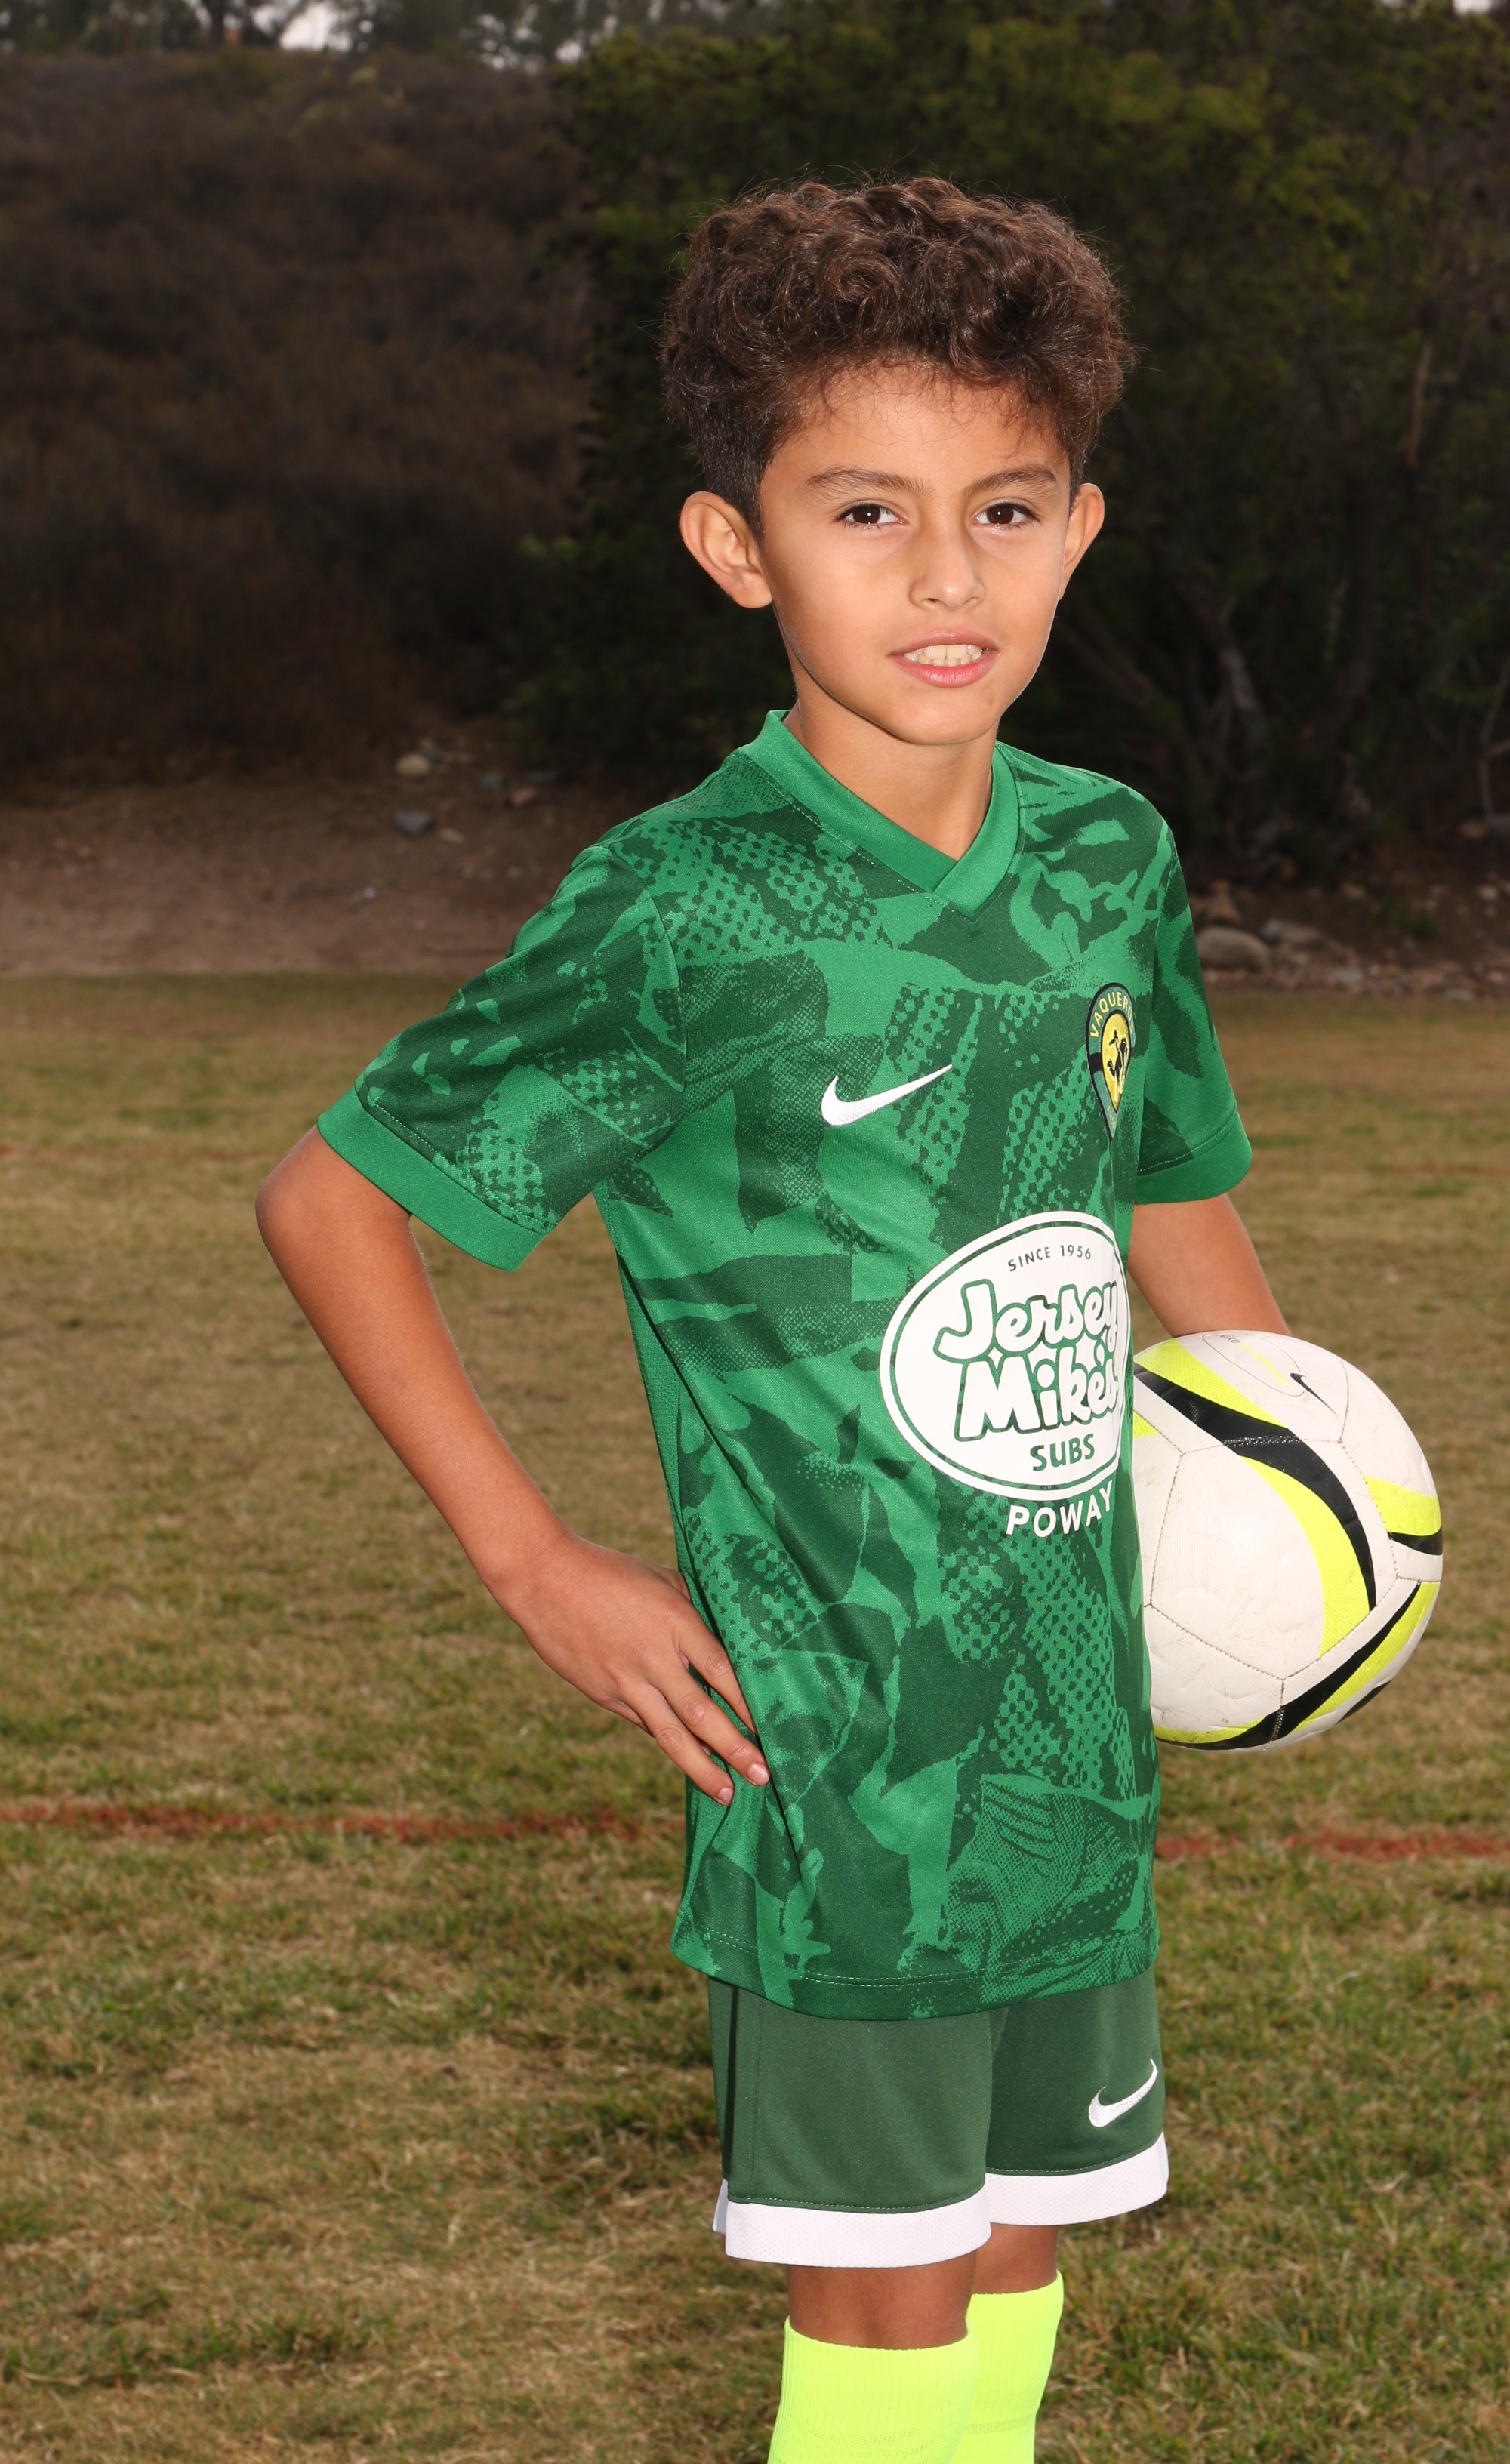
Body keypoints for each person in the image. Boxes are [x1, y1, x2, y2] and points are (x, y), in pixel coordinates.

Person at [257, 177, 1286, 2464]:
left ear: (1080, 529)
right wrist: (540, 1563)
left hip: (1073, 1738)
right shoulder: (685, 910)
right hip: (844, 1762)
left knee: (1020, 2248)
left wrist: (1292, 1489)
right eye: (866, 510)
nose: (948, 578)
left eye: (1004, 508)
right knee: (887, 2307)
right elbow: (333, 1200)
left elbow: (1167, 1185)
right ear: (739, 549)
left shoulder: (1106, 855)